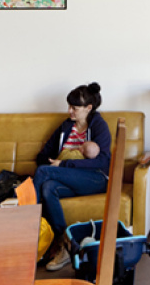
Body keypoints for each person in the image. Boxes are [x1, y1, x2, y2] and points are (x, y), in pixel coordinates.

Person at [34, 82, 111, 271]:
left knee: (43, 172)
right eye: (69, 106)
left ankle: (25, 221)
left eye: (74, 108)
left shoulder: (99, 126)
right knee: (48, 187)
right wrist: (55, 161)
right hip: (71, 177)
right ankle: (65, 244)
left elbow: (102, 162)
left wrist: (64, 164)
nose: (69, 111)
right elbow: (42, 155)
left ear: (88, 108)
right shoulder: (66, 127)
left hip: (95, 179)